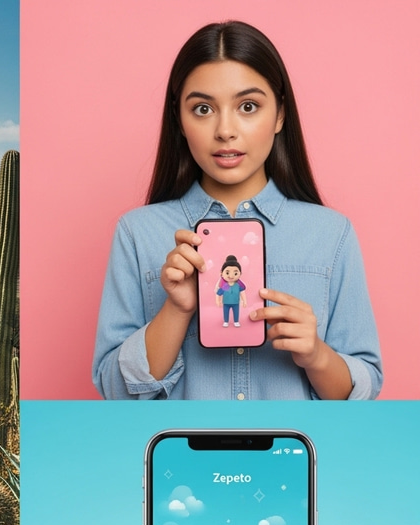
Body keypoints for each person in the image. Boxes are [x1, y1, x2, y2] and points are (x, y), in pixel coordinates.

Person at [92, 21, 382, 400]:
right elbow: (114, 390)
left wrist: (317, 356)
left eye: (248, 106)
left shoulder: (332, 234)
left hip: (290, 454)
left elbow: (366, 389)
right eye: (202, 108)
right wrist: (176, 311)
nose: (225, 130)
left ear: (279, 114)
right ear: (179, 119)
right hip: (179, 458)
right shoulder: (136, 233)